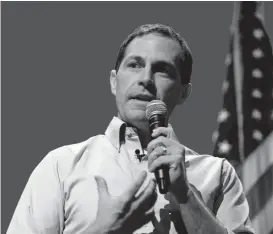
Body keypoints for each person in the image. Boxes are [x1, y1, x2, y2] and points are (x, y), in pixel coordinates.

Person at [7, 23, 255, 234]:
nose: (145, 78)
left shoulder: (218, 173)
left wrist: (185, 195)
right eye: (134, 65)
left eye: (162, 70)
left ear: (183, 92)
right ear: (114, 82)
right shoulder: (61, 166)